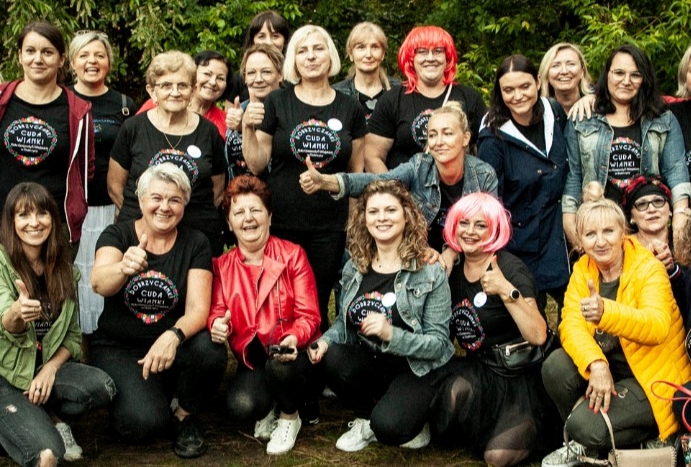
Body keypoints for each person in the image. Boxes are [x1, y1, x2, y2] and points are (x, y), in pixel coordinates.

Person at [540, 192, 691, 467]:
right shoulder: (582, 269)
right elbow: (570, 324)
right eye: (590, 234)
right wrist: (596, 363)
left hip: (651, 379)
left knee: (585, 426)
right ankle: (591, 439)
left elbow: (657, 326)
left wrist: (605, 312)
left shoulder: (648, 268)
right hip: (610, 370)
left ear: (623, 231)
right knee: (555, 367)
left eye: (608, 231)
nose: (600, 241)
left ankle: (656, 436)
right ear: (580, 240)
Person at [90, 164, 228, 458]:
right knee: (142, 424)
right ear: (140, 201)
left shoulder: (196, 243)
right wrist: (122, 268)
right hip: (120, 347)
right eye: (156, 198)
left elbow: (198, 309)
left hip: (171, 345)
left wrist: (173, 334)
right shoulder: (117, 235)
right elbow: (99, 283)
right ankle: (150, 397)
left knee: (210, 349)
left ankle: (184, 415)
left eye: (174, 200)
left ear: (184, 205)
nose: (164, 207)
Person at [308, 180, 454, 452]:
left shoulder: (429, 271)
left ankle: (415, 416)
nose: (382, 218)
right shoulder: (355, 266)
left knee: (389, 427)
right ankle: (365, 417)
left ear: (406, 215)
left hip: (416, 368)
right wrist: (325, 341)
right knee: (331, 356)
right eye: (373, 212)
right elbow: (344, 322)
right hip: (373, 361)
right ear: (363, 218)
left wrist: (391, 335)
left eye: (390, 210)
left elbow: (439, 345)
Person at [242, 25, 368, 332]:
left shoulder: (350, 107)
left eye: (318, 48)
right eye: (302, 50)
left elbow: (356, 174)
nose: (311, 56)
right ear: (293, 61)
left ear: (331, 56)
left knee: (318, 299)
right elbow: (257, 164)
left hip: (329, 225)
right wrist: (247, 128)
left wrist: (352, 223)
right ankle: (282, 367)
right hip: (283, 220)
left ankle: (316, 365)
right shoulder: (277, 103)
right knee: (281, 301)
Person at [431, 192, 550, 467]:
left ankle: (532, 428)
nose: (470, 231)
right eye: (464, 223)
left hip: (518, 376)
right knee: (449, 402)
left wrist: (506, 291)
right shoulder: (453, 268)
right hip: (481, 370)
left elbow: (538, 334)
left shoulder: (509, 268)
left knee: (497, 457)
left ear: (495, 229)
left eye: (480, 225)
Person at [0, 183, 115, 466]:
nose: (34, 222)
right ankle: (22, 422)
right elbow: (6, 320)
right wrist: (18, 312)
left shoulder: (65, 270)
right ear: (11, 222)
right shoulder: (2, 263)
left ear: (53, 218)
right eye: (24, 215)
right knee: (49, 456)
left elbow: (73, 338)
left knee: (103, 386)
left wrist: (50, 369)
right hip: (8, 376)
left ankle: (38, 416)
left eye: (42, 213)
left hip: (43, 370)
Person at [208, 175, 321, 455]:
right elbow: (218, 310)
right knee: (241, 406)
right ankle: (272, 404)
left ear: (269, 217)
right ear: (229, 223)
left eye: (256, 210)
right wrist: (216, 324)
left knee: (281, 367)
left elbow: (310, 315)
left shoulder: (293, 255)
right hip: (255, 361)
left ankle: (289, 417)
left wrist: (294, 337)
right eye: (239, 212)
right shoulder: (221, 266)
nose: (248, 219)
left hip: (296, 357)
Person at [300, 101, 498, 253]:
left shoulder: (484, 174)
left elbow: (488, 228)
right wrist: (326, 181)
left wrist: (452, 253)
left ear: (465, 138)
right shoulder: (420, 165)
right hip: (422, 255)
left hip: (469, 256)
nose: (439, 142)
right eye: (432, 135)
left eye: (447, 134)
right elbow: (378, 182)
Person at [562, 44, 691, 250]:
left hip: (649, 231)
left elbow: (676, 173)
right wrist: (573, 230)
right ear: (607, 75)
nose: (626, 81)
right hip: (601, 232)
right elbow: (573, 178)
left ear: (644, 79)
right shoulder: (583, 119)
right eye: (619, 73)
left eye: (635, 75)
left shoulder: (662, 118)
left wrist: (679, 221)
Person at [108, 51, 226, 256]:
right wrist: (155, 220)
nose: (175, 92)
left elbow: (217, 189)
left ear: (193, 90)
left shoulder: (208, 132)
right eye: (166, 86)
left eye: (182, 85)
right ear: (152, 91)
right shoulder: (133, 128)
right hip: (141, 238)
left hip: (198, 238)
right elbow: (115, 186)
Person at [478, 54, 570, 313]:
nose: (517, 96)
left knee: (577, 315)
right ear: (499, 91)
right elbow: (490, 199)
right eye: (508, 90)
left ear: (538, 82)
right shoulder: (492, 134)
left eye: (524, 86)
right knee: (531, 319)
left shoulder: (554, 112)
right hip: (521, 238)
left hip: (559, 233)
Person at [0, 21, 94, 247]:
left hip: (54, 226)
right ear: (20, 56)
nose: (38, 59)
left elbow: (85, 170)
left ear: (61, 59)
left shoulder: (78, 112)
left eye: (47, 52)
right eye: (30, 51)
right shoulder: (2, 101)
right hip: (4, 220)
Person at [69, 30, 136, 336]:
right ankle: (74, 341)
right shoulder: (62, 100)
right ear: (72, 62)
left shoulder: (124, 105)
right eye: (84, 55)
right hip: (72, 210)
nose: (92, 61)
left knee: (109, 275)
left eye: (99, 55)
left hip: (112, 209)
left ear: (109, 61)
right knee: (76, 279)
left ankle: (105, 342)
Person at [365, 25, 486, 172]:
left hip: (459, 192)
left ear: (447, 57)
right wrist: (395, 191)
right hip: (403, 190)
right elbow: (372, 156)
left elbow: (487, 152)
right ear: (411, 58)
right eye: (422, 51)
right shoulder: (392, 100)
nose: (430, 58)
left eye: (438, 51)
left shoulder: (470, 99)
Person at [225, 43, 284, 181]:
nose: (258, 79)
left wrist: (245, 127)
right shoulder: (238, 110)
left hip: (276, 197)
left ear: (281, 75)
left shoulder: (290, 110)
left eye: (266, 72)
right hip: (238, 197)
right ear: (244, 78)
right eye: (251, 73)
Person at [136, 51, 230, 137]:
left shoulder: (226, 121)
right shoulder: (156, 104)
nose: (213, 82)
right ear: (192, 76)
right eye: (207, 74)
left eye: (220, 78)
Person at [332, 22, 400, 120]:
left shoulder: (399, 91)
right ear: (351, 54)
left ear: (383, 54)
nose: (368, 54)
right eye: (361, 47)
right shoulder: (337, 94)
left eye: (375, 47)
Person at [223, 10, 290, 105]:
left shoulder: (296, 77)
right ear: (252, 40)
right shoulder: (238, 80)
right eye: (261, 36)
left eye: (275, 36)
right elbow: (229, 116)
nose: (268, 42)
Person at [538, 43, 593, 114]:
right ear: (547, 74)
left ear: (582, 72)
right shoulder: (539, 113)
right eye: (555, 65)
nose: (564, 71)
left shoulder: (596, 106)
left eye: (571, 64)